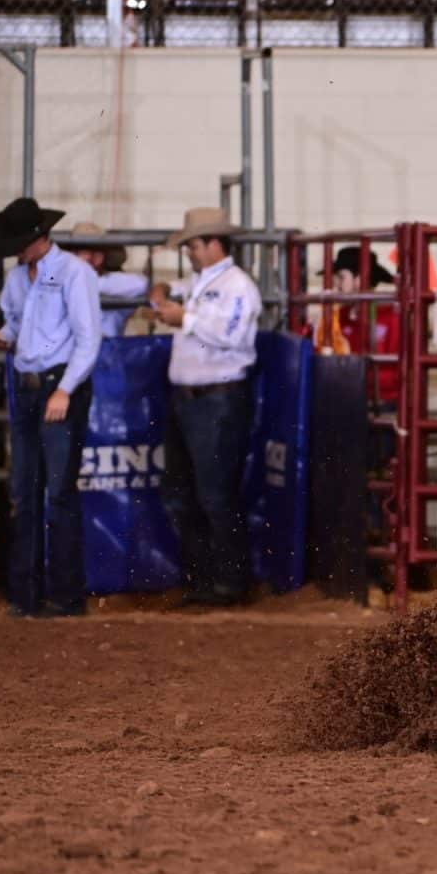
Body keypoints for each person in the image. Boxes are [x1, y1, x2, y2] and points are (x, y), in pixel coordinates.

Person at [0, 197, 102, 619]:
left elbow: (89, 338)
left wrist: (65, 389)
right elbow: (18, 323)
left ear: (38, 237)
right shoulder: (19, 279)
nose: (17, 250)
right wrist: (5, 335)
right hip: (32, 385)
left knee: (57, 493)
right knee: (26, 491)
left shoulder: (74, 273)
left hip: (55, 386)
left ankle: (66, 596)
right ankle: (27, 595)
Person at [146, 206, 261, 608]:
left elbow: (230, 334)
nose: (190, 252)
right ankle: (204, 580)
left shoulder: (238, 286)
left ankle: (228, 581)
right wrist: (162, 295)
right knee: (186, 491)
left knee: (213, 493)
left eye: (193, 245)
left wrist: (185, 318)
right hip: (195, 400)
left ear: (214, 244)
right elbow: (171, 290)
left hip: (218, 398)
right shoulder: (203, 282)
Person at [312, 244, 402, 405]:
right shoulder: (338, 315)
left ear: (360, 279)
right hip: (349, 400)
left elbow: (397, 376)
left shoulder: (391, 318)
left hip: (382, 404)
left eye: (341, 277)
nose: (336, 285)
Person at [60, 222, 151, 339]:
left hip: (104, 351)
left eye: (97, 250)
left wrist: (86, 283)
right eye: (80, 250)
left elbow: (143, 285)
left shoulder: (113, 284)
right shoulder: (57, 280)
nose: (88, 255)